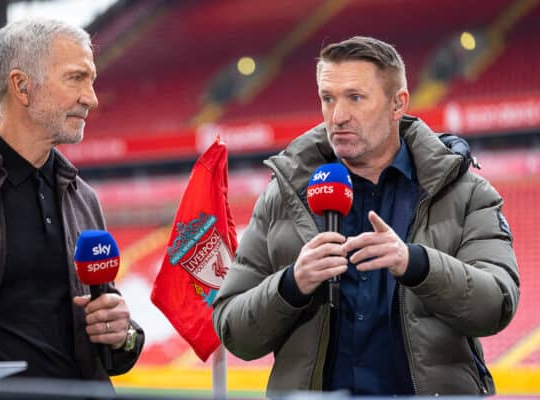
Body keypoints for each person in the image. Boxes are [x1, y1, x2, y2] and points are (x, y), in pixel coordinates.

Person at [213, 36, 519, 396]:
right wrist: (292, 284)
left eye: (355, 97)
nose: (338, 116)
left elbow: (496, 305)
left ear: (396, 104)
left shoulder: (465, 192)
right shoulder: (283, 196)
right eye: (328, 99)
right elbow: (234, 331)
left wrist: (417, 264)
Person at [0, 18, 143, 383]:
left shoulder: (84, 199)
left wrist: (123, 333)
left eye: (91, 80)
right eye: (75, 78)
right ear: (21, 86)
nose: (91, 98)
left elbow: (113, 348)